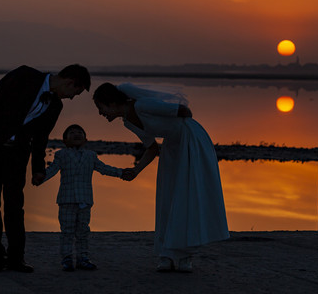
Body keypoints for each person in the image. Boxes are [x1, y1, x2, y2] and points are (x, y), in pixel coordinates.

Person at [92, 82, 229, 273]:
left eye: (101, 108)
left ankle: (185, 256)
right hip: (172, 146)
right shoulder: (128, 122)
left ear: (112, 103)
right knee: (168, 197)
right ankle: (167, 254)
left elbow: (183, 111)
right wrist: (136, 171)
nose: (101, 113)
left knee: (185, 197)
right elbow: (152, 148)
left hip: (190, 140)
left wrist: (179, 133)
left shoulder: (142, 106)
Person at [0, 64, 90, 273]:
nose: (71, 98)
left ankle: (16, 258)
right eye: (74, 93)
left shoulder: (55, 106)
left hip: (17, 155)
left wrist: (38, 169)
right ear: (70, 82)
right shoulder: (24, 75)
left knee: (15, 206)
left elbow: (41, 138)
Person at [33, 124, 124, 271]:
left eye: (80, 132)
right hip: (66, 200)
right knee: (67, 231)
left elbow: (104, 169)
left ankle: (83, 258)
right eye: (72, 132)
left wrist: (122, 173)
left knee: (83, 231)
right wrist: (40, 178)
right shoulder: (61, 155)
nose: (76, 134)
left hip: (85, 200)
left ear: (86, 139)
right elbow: (52, 170)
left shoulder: (91, 156)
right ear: (65, 140)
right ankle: (67, 258)